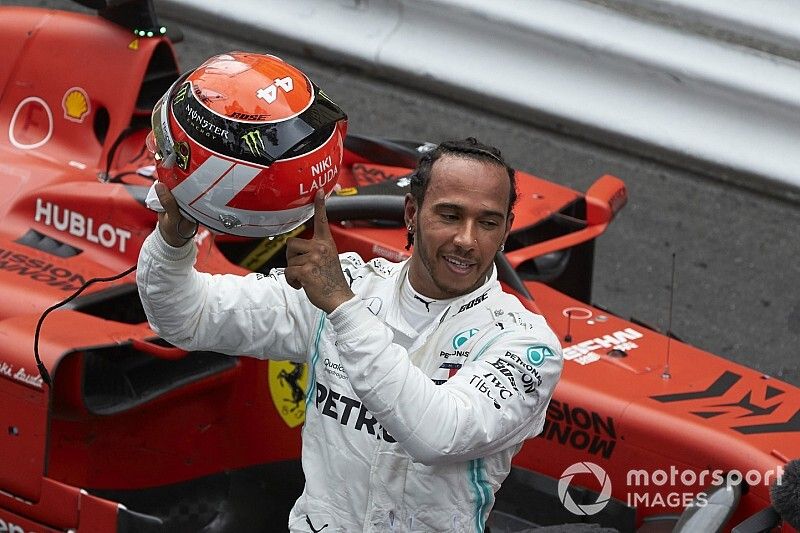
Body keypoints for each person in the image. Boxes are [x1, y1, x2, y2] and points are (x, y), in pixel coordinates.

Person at [138, 55, 562, 532]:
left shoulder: (526, 345)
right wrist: (173, 240)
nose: (467, 239)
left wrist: (344, 309)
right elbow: (185, 318)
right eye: (449, 216)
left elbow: (437, 435)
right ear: (411, 214)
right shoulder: (349, 286)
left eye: (487, 223)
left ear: (506, 229)